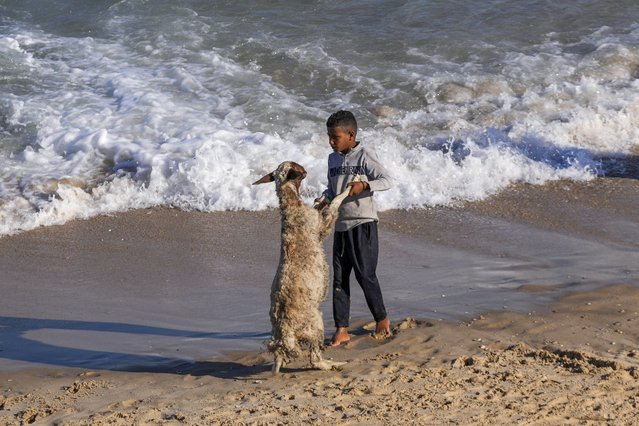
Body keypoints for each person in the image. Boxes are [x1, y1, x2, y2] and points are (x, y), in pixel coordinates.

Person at [316, 110, 392, 347]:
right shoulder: (333, 159)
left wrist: (364, 184)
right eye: (329, 136)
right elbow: (333, 189)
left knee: (365, 274)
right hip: (340, 226)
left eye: (334, 137)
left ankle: (382, 320)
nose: (330, 141)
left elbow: (387, 180)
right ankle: (342, 329)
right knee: (339, 279)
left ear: (351, 135)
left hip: (363, 223)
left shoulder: (364, 155)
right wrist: (324, 199)